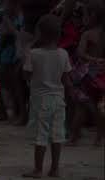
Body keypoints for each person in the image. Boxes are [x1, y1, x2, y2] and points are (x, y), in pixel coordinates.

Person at [22, 14, 72, 178]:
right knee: (57, 134)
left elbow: (26, 75)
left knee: (40, 134)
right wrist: (71, 98)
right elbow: (66, 80)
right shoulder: (63, 54)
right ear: (58, 35)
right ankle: (55, 168)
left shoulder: (34, 53)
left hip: (39, 99)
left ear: (39, 34)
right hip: (59, 99)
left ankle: (38, 169)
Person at [68, 0, 105, 146]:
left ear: (92, 16)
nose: (83, 18)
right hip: (102, 74)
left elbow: (80, 52)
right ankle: (98, 139)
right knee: (101, 107)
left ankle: (74, 138)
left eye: (84, 15)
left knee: (80, 107)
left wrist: (93, 59)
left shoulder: (88, 34)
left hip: (88, 74)